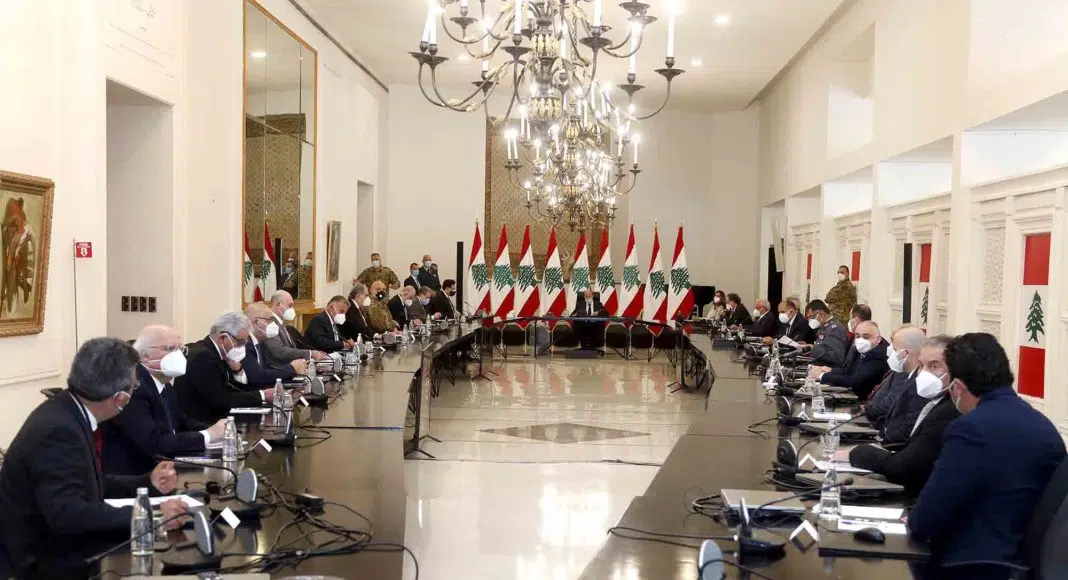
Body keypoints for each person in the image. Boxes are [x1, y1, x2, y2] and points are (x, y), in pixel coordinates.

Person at [0, 338, 189, 579]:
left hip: (59, 547)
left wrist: (147, 483)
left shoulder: (68, 410)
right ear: (120, 397)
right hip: (39, 563)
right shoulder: (59, 430)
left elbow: (88, 483)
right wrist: (153, 515)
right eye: (133, 387)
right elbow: (67, 513)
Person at [908, 333, 1066, 573]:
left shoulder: (971, 429)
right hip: (1018, 560)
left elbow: (925, 519)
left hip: (971, 562)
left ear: (957, 387)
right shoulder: (1042, 425)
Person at [100, 325, 227, 476]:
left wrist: (219, 431)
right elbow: (153, 443)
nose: (178, 355)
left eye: (181, 349)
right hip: (137, 477)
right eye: (170, 348)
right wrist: (208, 435)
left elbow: (181, 423)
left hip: (165, 468)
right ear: (145, 356)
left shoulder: (164, 384)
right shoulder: (134, 387)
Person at [846, 335, 960, 496]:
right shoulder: (935, 399)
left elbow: (909, 467)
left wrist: (860, 452)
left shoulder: (950, 410)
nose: (924, 373)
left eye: (934, 366)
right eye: (922, 365)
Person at [174, 312, 278, 424]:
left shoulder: (217, 352)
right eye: (240, 342)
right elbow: (220, 399)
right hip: (202, 423)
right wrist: (263, 395)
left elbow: (234, 390)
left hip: (216, 417)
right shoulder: (203, 357)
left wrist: (237, 371)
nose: (243, 347)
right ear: (223, 338)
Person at [862, 325, 926, 443]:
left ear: (905, 353)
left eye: (895, 349)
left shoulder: (918, 384)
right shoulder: (908, 375)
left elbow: (905, 429)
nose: (890, 351)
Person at [811, 320, 888, 399]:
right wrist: (828, 370)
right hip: (853, 394)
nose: (861, 340)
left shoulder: (879, 356)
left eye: (866, 337)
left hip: (863, 400)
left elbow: (854, 382)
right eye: (858, 336)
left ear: (878, 339)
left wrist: (822, 376)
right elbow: (849, 370)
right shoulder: (863, 349)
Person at [244, 303, 304, 387]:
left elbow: (271, 369)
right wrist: (292, 368)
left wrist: (294, 369)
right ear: (256, 322)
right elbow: (259, 377)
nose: (273, 324)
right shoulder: (245, 345)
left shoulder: (261, 342)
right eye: (269, 320)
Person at [263, 290, 327, 366]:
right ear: (278, 305)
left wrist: (312, 353)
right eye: (290, 305)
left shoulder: (279, 322)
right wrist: (310, 353)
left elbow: (291, 348)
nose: (292, 309)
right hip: (279, 369)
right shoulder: (269, 323)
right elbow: (279, 351)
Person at [799, 299, 848, 367]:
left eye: (811, 317)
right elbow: (823, 347)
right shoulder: (824, 326)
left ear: (821, 314)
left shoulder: (835, 329)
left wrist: (813, 349)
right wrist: (808, 347)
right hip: (817, 365)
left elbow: (837, 357)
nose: (809, 321)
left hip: (826, 369)